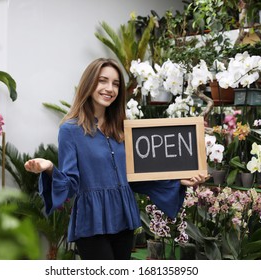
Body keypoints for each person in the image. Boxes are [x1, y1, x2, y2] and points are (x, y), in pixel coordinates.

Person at [24, 58, 207, 260]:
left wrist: (179, 180)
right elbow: (71, 184)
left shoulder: (122, 128)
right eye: (102, 81)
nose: (109, 88)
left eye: (115, 83)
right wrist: (49, 168)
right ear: (89, 83)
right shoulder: (70, 130)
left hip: (123, 217)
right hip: (92, 221)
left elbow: (136, 175)